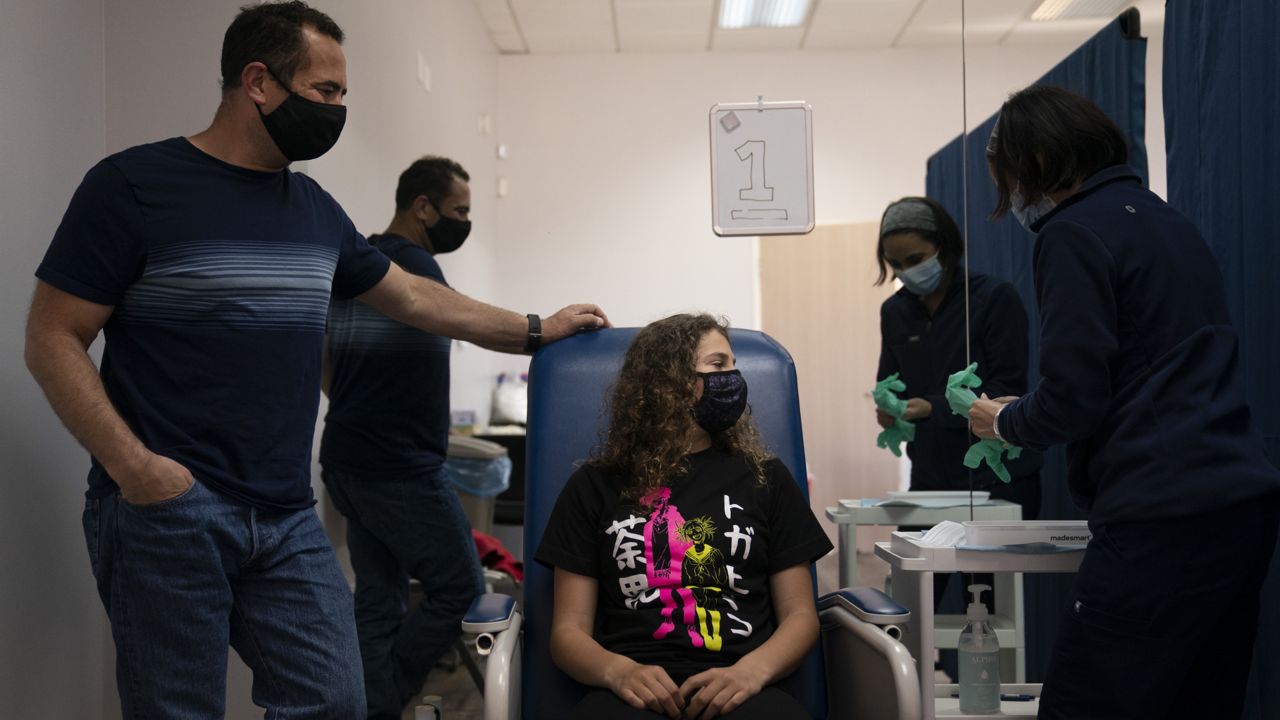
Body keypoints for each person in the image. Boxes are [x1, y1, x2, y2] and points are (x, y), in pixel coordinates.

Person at [22, 3, 607, 718]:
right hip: (169, 512)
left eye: (342, 95)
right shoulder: (134, 185)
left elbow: (417, 301)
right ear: (259, 82)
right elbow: (52, 336)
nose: (337, 110)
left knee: (334, 698)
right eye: (326, 91)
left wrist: (535, 329)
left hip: (283, 513)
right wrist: (136, 468)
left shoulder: (313, 210)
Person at [970, 84, 1280, 719]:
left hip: (1162, 512)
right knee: (1200, 702)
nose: (1014, 201)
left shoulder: (1071, 233)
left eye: (1008, 183)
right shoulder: (1165, 218)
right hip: (1240, 505)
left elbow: (1074, 400)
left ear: (1035, 164)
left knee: (1086, 705)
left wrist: (1002, 420)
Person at [535, 314, 834, 720]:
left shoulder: (766, 478)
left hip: (744, 687)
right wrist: (618, 672)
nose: (732, 377)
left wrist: (751, 672)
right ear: (667, 382)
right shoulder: (594, 486)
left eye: (732, 364)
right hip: (631, 692)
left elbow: (800, 616)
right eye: (717, 365)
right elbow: (568, 633)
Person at [319, 156, 509, 719]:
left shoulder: (360, 263)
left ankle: (369, 707)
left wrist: (358, 404)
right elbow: (463, 322)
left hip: (348, 457)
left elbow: (321, 356)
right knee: (462, 589)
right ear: (422, 207)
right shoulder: (414, 267)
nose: (464, 220)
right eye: (459, 211)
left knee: (378, 601)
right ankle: (379, 705)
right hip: (397, 468)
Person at [874, 196, 1041, 512]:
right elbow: (889, 382)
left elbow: (1007, 390)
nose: (906, 271)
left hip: (997, 473)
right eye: (895, 264)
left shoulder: (993, 299)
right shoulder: (894, 312)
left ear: (943, 247)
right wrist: (889, 412)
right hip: (929, 476)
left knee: (998, 562)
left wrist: (930, 408)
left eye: (915, 259)